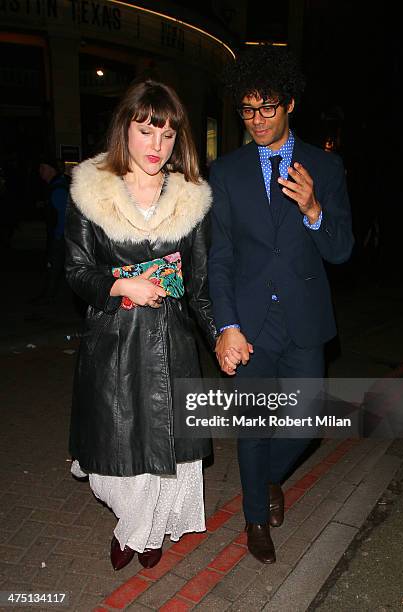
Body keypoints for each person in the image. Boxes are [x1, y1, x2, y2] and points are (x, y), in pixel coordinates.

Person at [208, 45, 354, 564]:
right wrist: (225, 324)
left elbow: (341, 250)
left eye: (268, 107)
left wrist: (314, 208)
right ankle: (254, 516)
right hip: (249, 323)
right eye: (248, 109)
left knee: (304, 421)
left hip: (303, 320)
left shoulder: (325, 166)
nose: (258, 120)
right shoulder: (225, 172)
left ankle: (266, 478)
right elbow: (219, 258)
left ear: (289, 103)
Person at [65, 80, 216, 571]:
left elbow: (199, 286)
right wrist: (120, 286)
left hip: (172, 344)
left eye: (168, 135)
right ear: (125, 128)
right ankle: (131, 525)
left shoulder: (190, 198)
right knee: (121, 453)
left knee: (167, 453)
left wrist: (221, 337)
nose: (157, 146)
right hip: (115, 346)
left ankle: (149, 534)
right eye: (147, 131)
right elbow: (76, 271)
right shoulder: (92, 190)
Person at [38, 157, 70, 302]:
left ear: (51, 170)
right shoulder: (56, 186)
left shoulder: (58, 189)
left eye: (43, 168)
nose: (40, 172)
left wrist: (57, 236)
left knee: (54, 265)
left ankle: (48, 296)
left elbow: (63, 215)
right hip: (59, 235)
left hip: (60, 236)